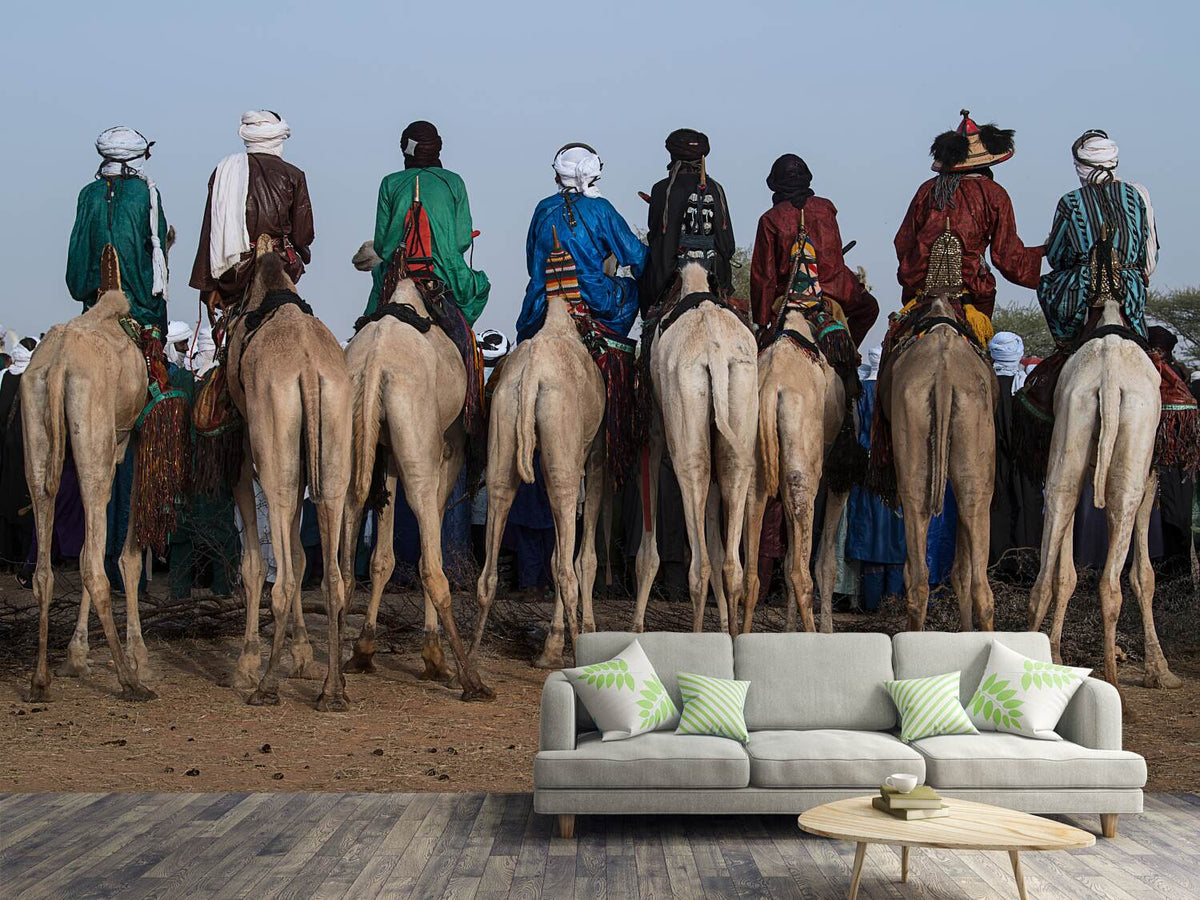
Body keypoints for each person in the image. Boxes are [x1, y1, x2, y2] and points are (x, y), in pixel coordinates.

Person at [894, 110, 1043, 322]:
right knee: (982, 344)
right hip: (971, 290)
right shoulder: (994, 193)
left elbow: (903, 242)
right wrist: (1041, 254)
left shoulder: (926, 190)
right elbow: (1005, 255)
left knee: (896, 340)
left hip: (923, 289)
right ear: (986, 163)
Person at [190, 110, 314, 319]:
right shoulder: (293, 175)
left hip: (235, 271)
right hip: (280, 264)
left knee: (228, 334)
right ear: (278, 138)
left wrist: (208, 286)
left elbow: (210, 234)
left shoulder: (224, 173)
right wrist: (303, 253)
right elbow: (303, 236)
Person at [515, 143, 646, 341]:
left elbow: (532, 264)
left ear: (558, 175)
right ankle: (609, 349)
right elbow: (636, 255)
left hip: (542, 298)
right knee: (631, 290)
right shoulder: (601, 208)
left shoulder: (543, 208)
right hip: (594, 295)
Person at [362, 120, 489, 324]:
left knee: (368, 320)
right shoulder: (454, 182)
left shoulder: (389, 183)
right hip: (444, 269)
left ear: (406, 150)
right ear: (437, 148)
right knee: (481, 287)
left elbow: (382, 246)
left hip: (397, 269)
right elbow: (462, 242)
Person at [1037, 130, 1156, 344]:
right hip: (1129, 289)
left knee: (1047, 286)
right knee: (1145, 348)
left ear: (1080, 167)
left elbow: (1056, 258)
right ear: (1114, 162)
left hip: (1084, 289)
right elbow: (1148, 260)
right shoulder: (1137, 196)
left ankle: (1066, 346)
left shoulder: (1070, 201)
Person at [750, 154, 879, 346]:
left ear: (775, 183)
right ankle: (848, 352)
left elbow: (764, 276)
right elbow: (834, 259)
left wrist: (761, 323)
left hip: (787, 297)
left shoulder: (770, 219)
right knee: (870, 308)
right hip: (833, 290)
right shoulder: (826, 208)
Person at [67, 127, 170, 330]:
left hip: (94, 300)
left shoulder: (88, 194)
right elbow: (157, 250)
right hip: (138, 302)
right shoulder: (146, 193)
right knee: (156, 340)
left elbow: (78, 252)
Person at [639, 128, 735, 312]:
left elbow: (656, 240)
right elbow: (727, 244)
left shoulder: (661, 190)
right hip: (714, 274)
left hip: (669, 276)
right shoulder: (716, 189)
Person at [987, 332, 1043, 567]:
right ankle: (1026, 563)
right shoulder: (1028, 386)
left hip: (993, 457)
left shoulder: (986, 385)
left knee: (998, 504)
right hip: (1025, 458)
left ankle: (999, 564)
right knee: (1027, 503)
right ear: (1017, 352)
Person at [1148, 327, 1195, 574]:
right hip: (1183, 463)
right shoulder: (1181, 378)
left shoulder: (1154, 377)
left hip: (1160, 460)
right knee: (1181, 518)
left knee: (1166, 517)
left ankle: (1169, 573)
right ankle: (1180, 574)